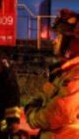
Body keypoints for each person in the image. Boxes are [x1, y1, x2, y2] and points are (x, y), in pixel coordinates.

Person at [25, 8, 79, 138]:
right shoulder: (65, 71)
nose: (55, 41)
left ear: (73, 41)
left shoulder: (76, 75)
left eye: (59, 36)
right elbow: (43, 97)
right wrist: (32, 106)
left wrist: (32, 116)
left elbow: (57, 114)